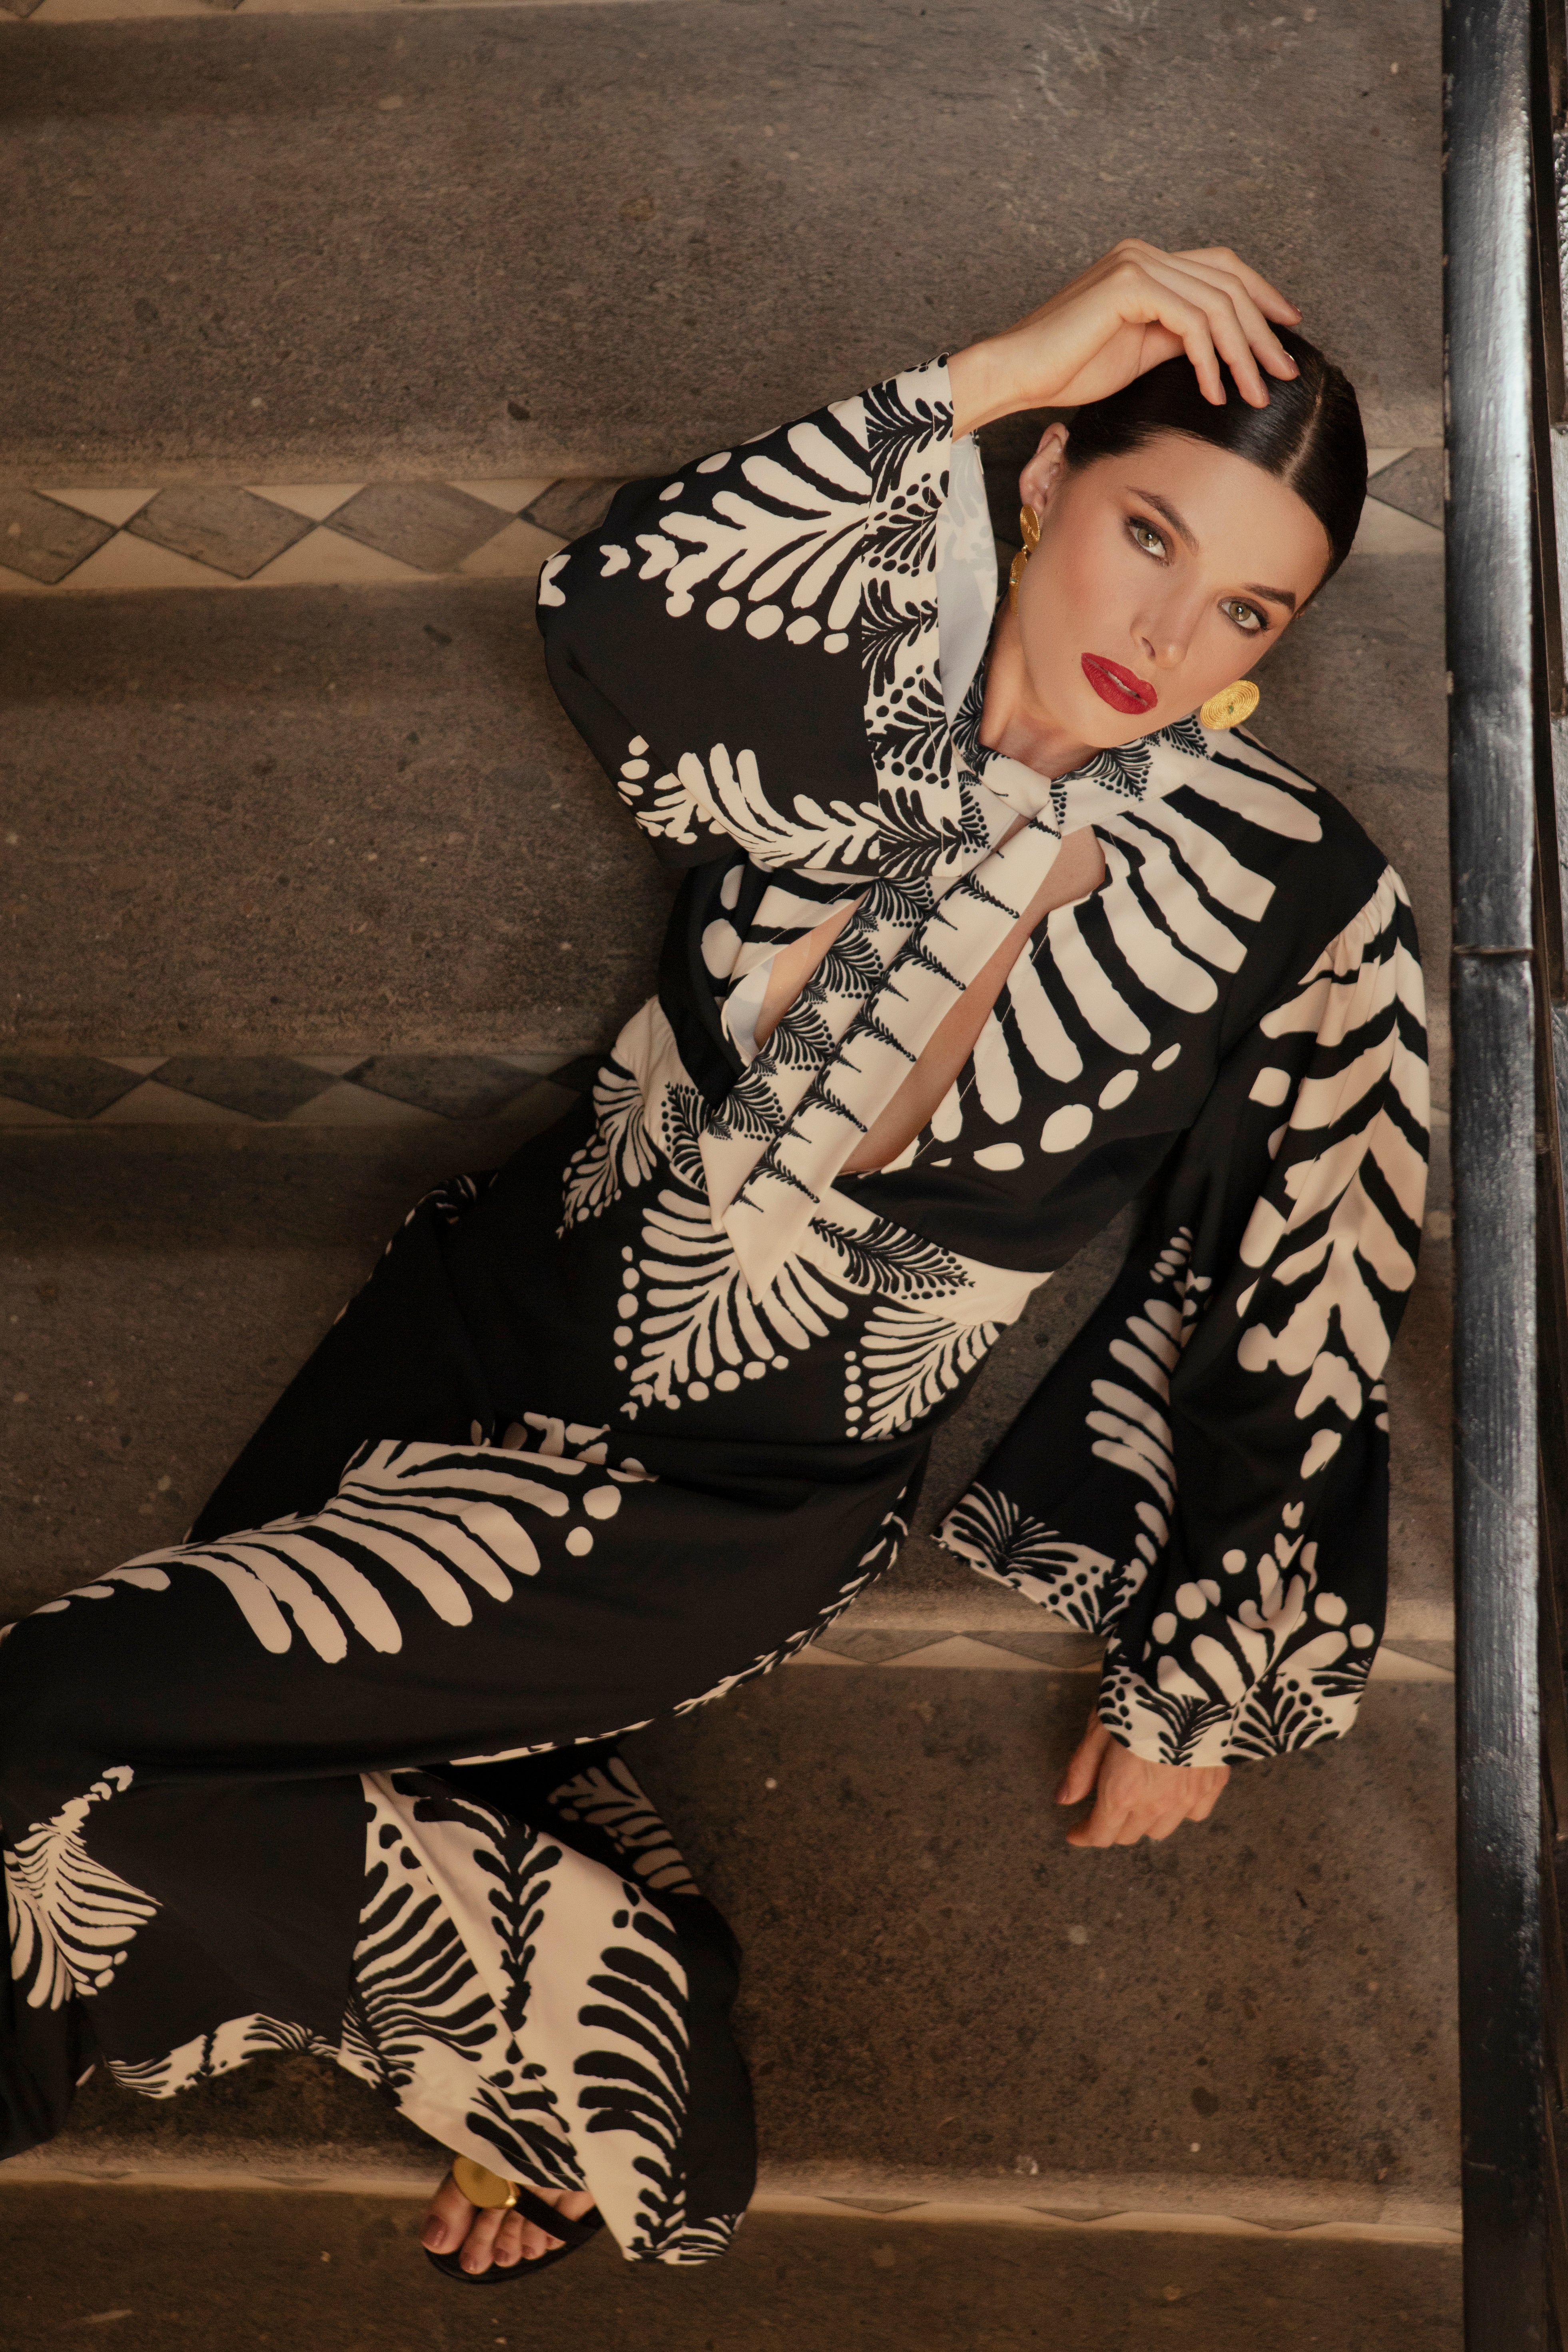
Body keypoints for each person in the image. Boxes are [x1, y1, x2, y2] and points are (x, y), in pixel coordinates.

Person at [0, 242, 1428, 2282]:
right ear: (1045, 484)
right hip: (477, 1334)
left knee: (47, 1719)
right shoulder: (862, 659)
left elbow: (1311, 1273)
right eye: (1146, 533)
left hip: (725, 1507)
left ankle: (612, 2034)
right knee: (111, 1810)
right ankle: (611, 2014)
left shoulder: (1300, 895)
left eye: (1248, 609)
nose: (1166, 632)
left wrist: (1203, 1674)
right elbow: (612, 611)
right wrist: (995, 372)